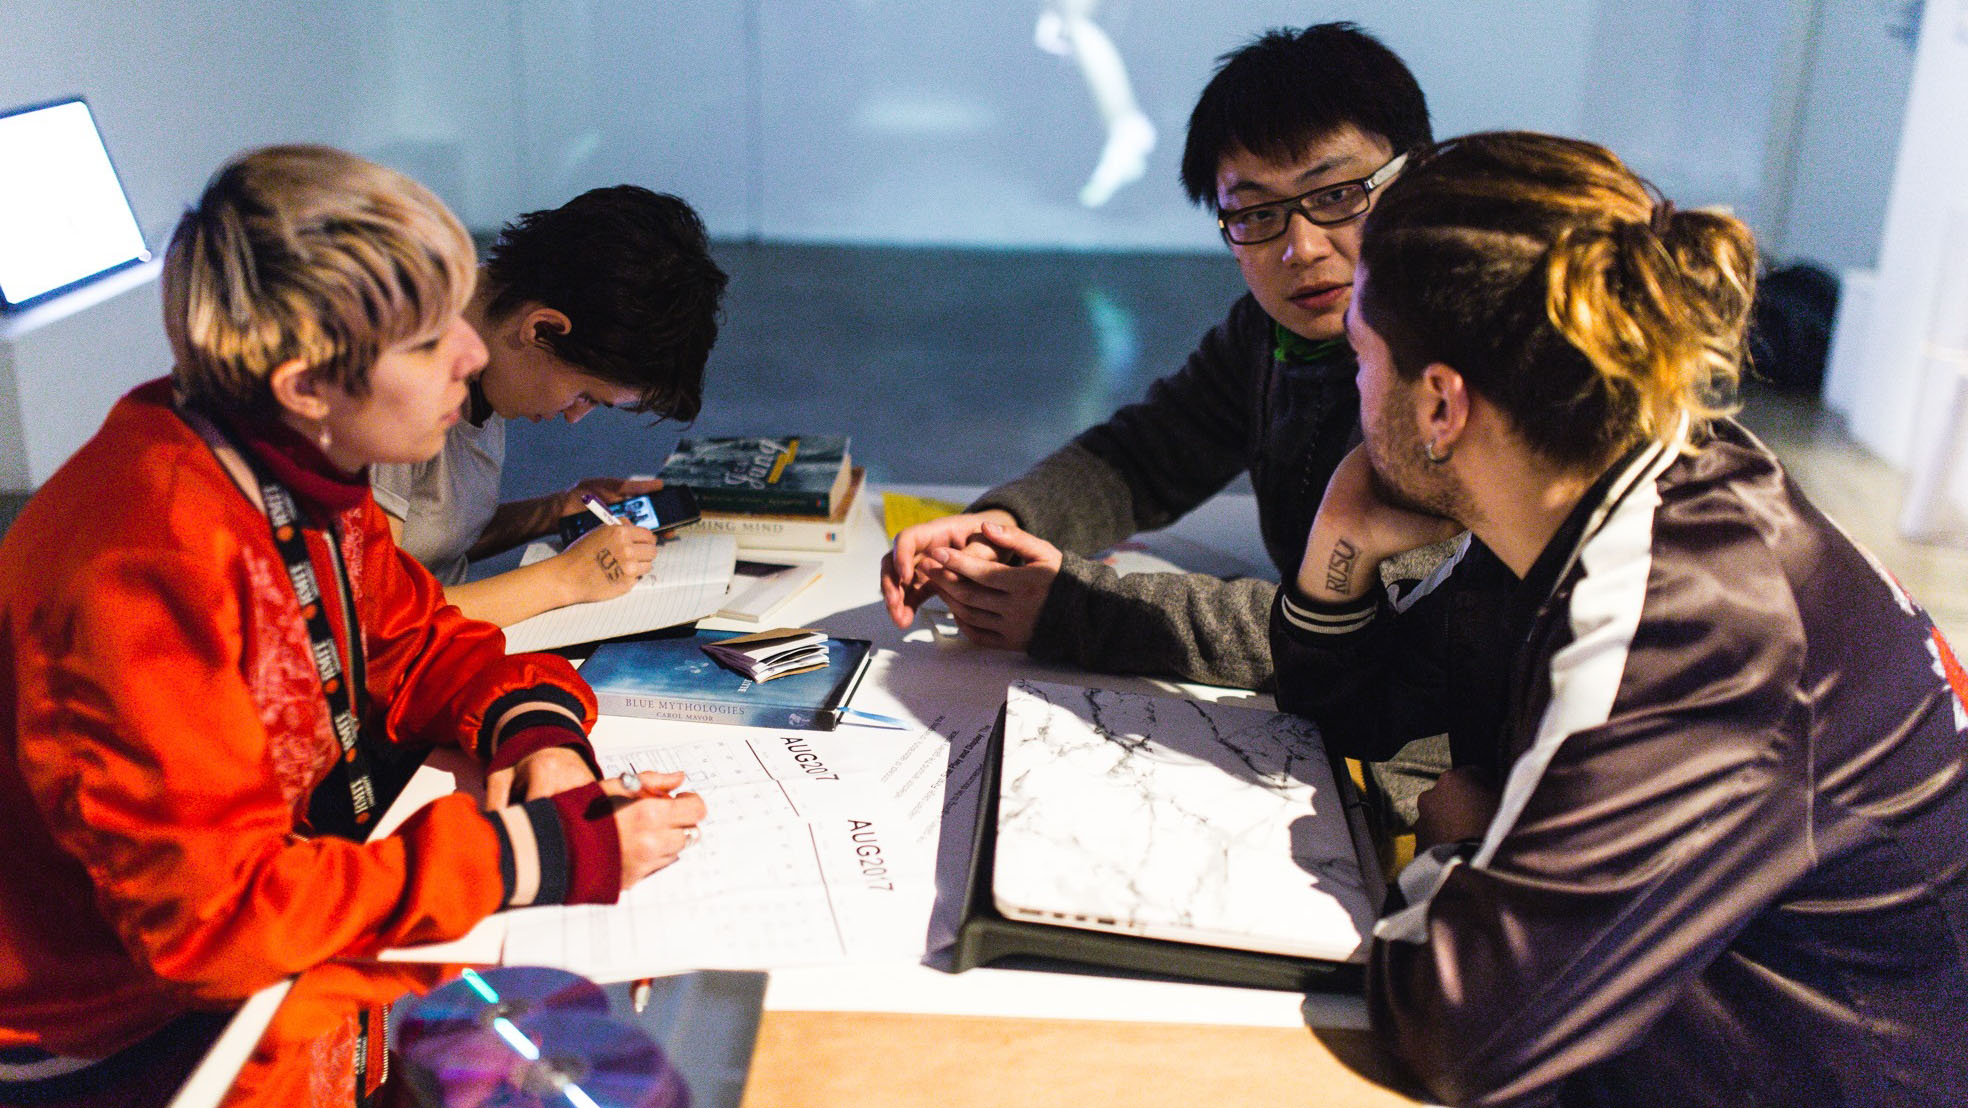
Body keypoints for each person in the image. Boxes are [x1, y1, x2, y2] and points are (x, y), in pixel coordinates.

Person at [1272, 131, 1968, 1105]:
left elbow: (1463, 1033)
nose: (1355, 389)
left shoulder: (1695, 618)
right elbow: (1349, 710)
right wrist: (1338, 545)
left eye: (1361, 355)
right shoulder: (1591, 478)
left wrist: (1453, 851)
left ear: (1440, 404)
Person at [0, 146, 706, 1106]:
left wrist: (535, 735)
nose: (468, 353)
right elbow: (219, 928)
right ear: (304, 383)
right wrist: (531, 856)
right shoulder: (151, 567)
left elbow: (417, 641)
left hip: (260, 958)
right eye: (427, 344)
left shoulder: (296, 469)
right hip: (137, 1044)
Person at [880, 22, 1430, 693]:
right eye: (1256, 214)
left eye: (1338, 196)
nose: (1303, 247)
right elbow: (1140, 459)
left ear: (1418, 177)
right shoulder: (1266, 332)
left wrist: (1078, 613)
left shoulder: (1454, 379)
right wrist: (1005, 523)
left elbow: (1384, 638)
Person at [370, 185, 728, 627]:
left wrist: (554, 511)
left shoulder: (492, 360)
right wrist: (564, 580)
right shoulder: (400, 378)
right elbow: (374, 623)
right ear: (541, 329)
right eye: (585, 395)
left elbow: (423, 545)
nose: (575, 416)